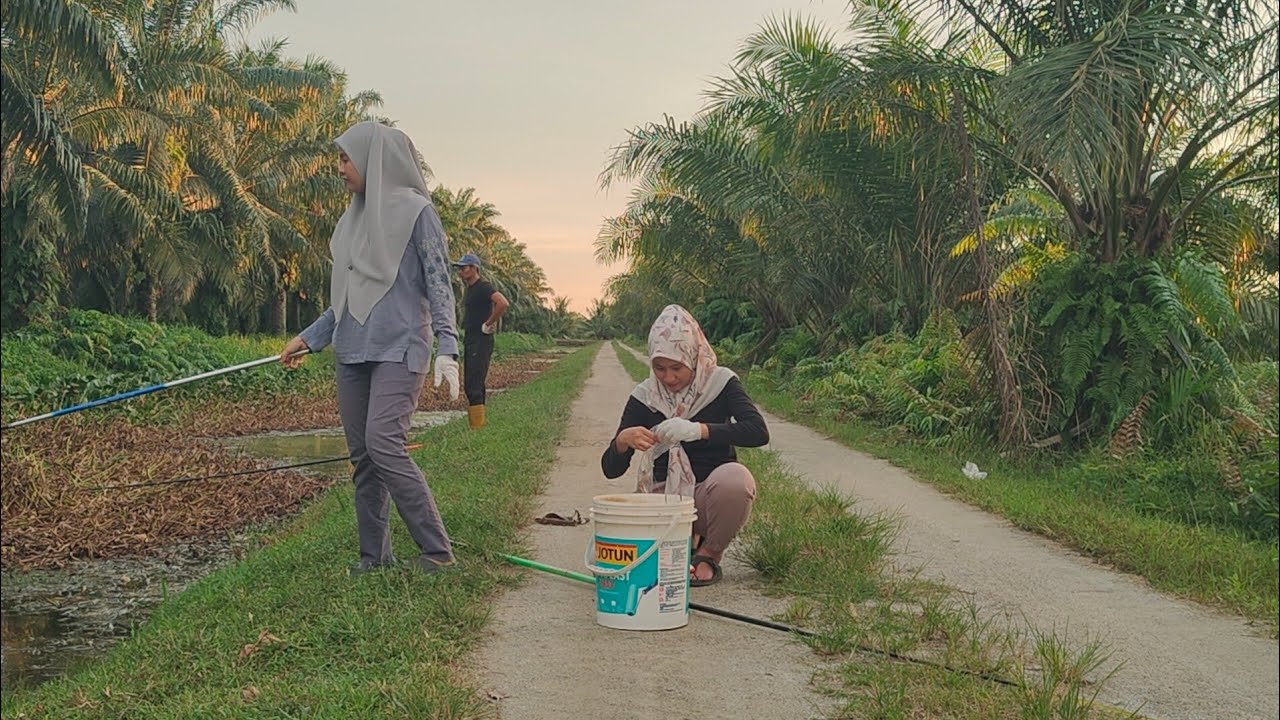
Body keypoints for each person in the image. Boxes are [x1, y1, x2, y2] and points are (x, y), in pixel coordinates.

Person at [279, 121, 461, 577]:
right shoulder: (350, 223)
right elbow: (343, 300)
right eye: (339, 158)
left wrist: (448, 347)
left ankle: (437, 551)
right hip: (352, 351)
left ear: (373, 160)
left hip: (400, 349)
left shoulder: (418, 213)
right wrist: (308, 338)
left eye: (346, 158)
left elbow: (439, 281)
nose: (339, 168)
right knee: (362, 456)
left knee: (385, 443)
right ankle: (373, 557)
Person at [600, 304, 768, 587]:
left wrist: (699, 430)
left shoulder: (720, 384)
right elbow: (610, 470)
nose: (668, 378)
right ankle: (681, 541)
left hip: (707, 496)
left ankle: (709, 553)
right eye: (659, 368)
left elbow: (757, 432)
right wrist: (622, 442)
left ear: (694, 357)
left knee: (736, 481)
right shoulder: (645, 396)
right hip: (662, 501)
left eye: (677, 368)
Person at [452, 253, 508, 429]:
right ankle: (478, 425)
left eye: (464, 268)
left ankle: (477, 427)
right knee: (472, 382)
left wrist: (489, 323)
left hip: (480, 340)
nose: (460, 272)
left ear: (474, 268)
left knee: (473, 384)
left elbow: (502, 303)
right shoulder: (470, 289)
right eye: (459, 268)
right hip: (471, 339)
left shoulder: (483, 286)